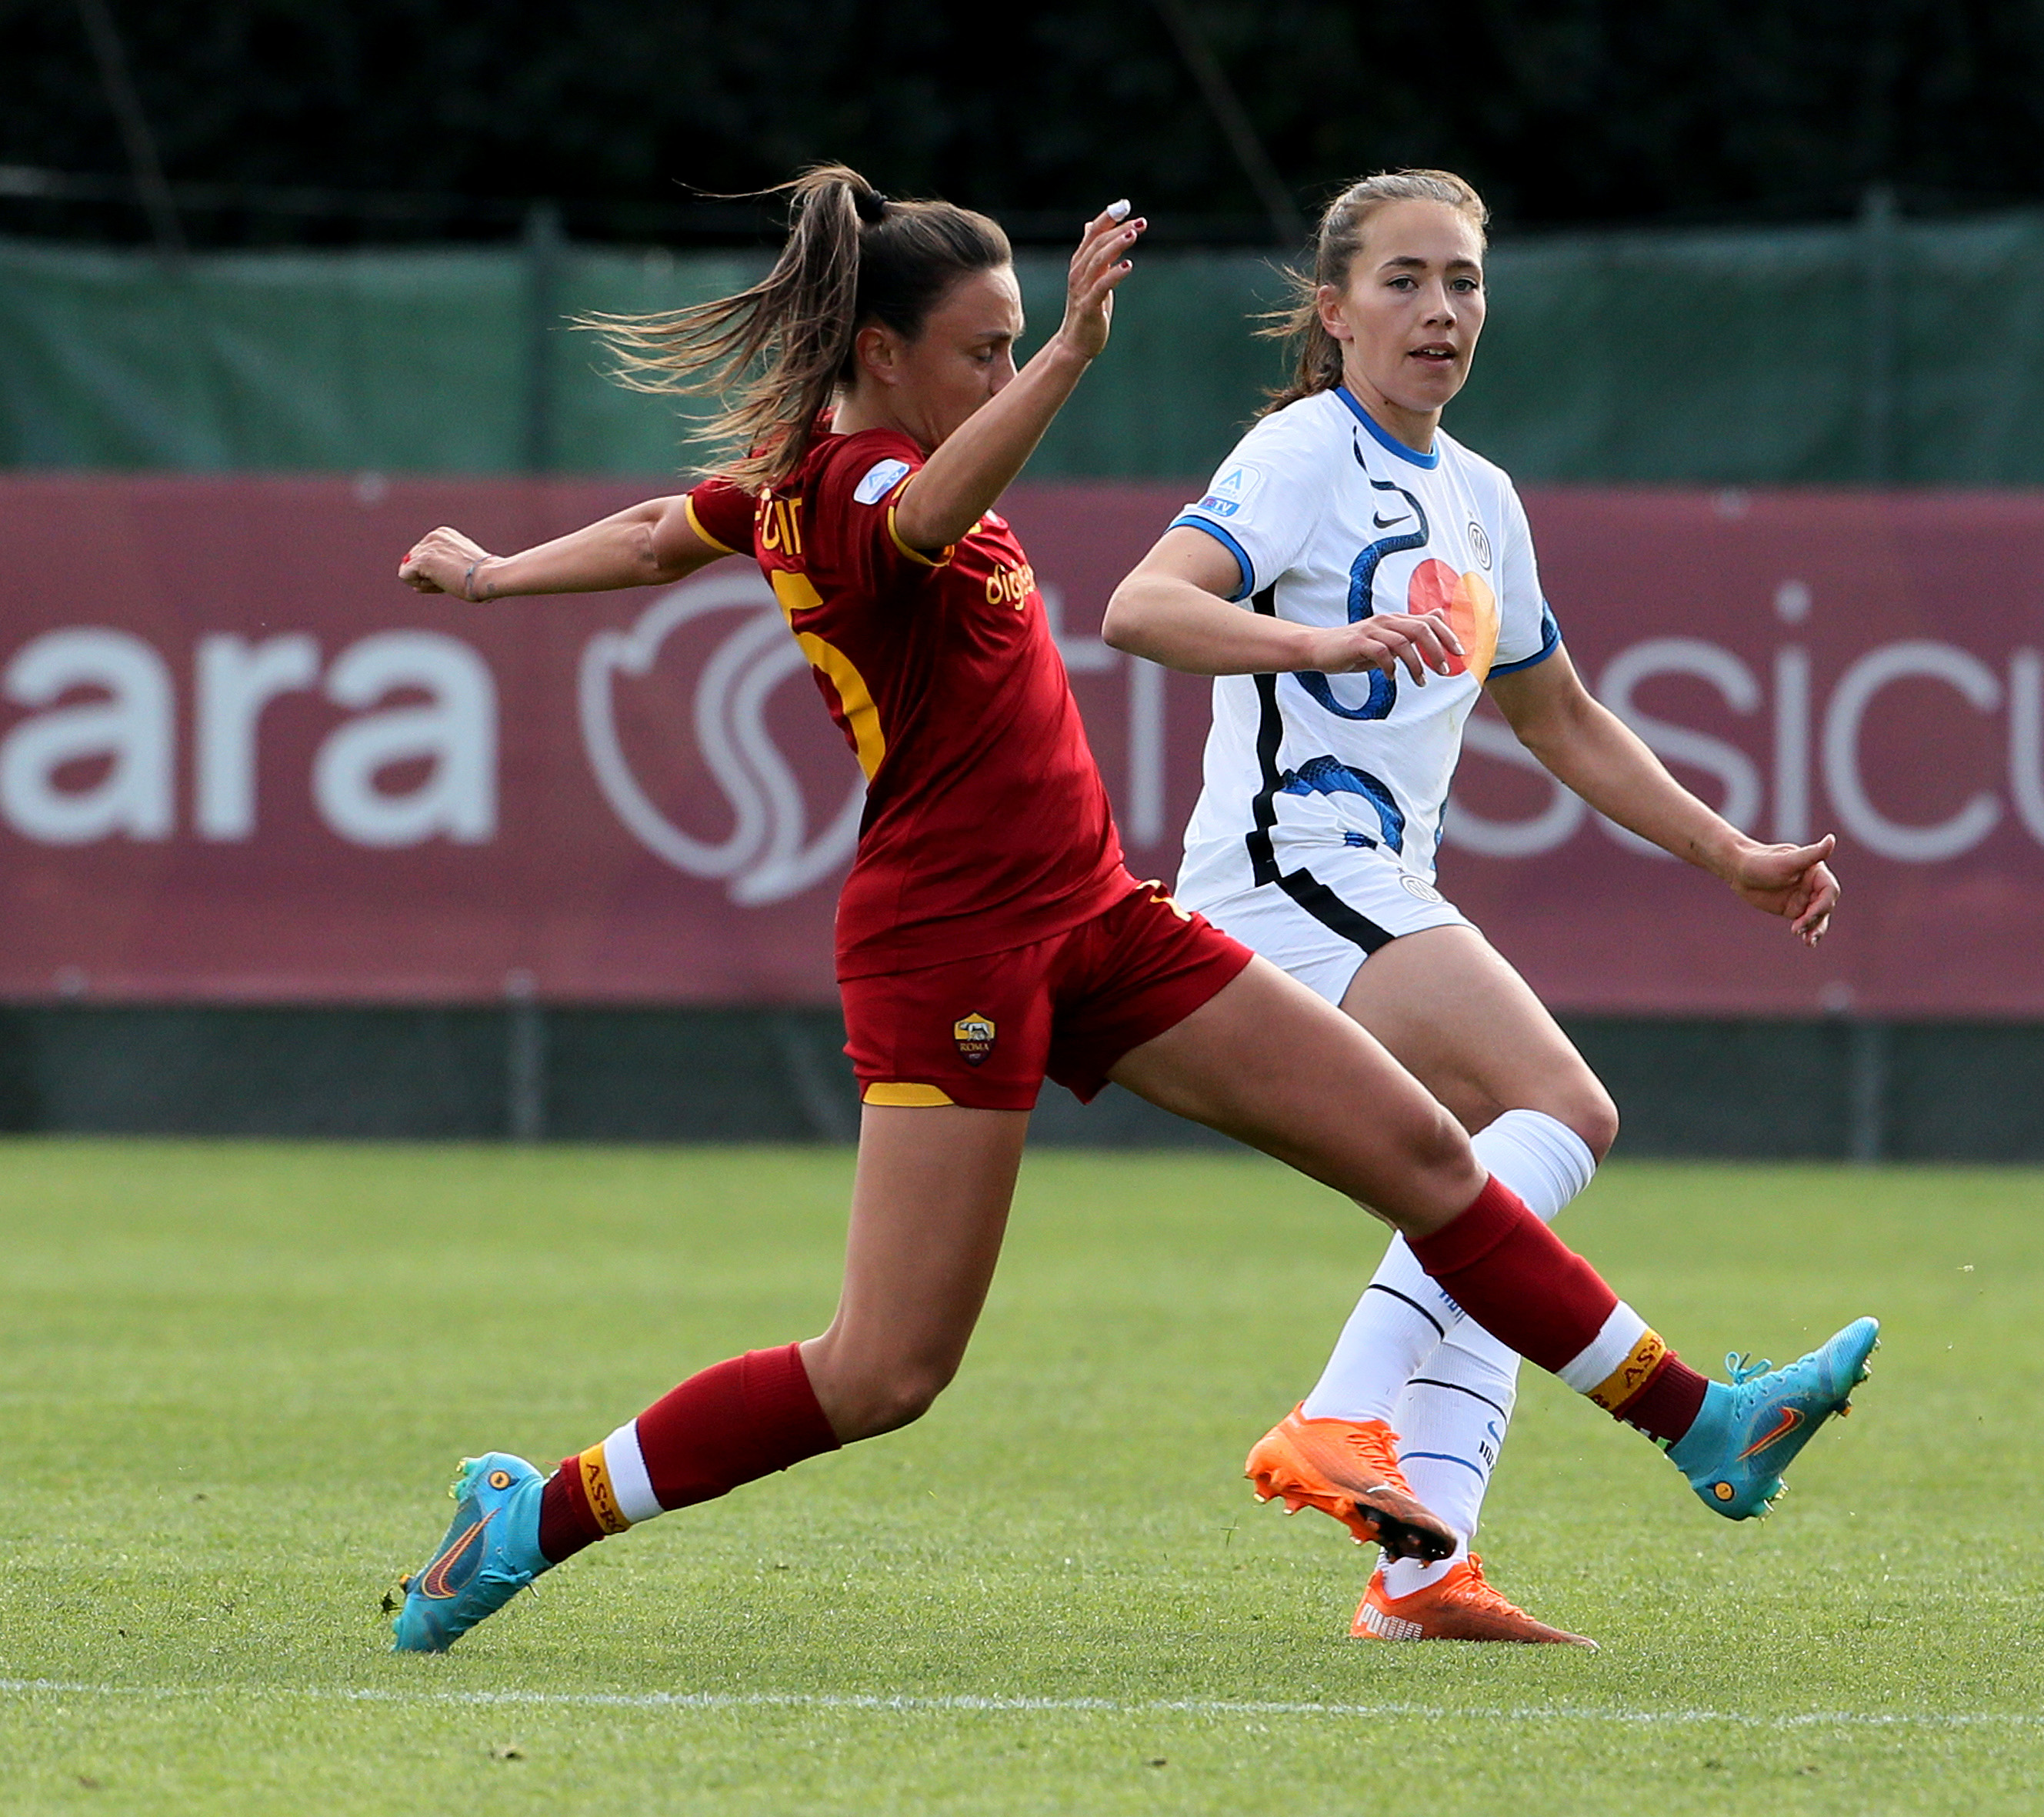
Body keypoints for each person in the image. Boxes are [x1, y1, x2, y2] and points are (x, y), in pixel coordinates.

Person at [383, 164, 1877, 1656]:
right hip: (952, 943)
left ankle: (1697, 1423)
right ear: (882, 357)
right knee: (884, 1368)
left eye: (1012, 341)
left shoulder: (798, 485)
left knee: (1437, 1154)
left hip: (1099, 914)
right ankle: (527, 1518)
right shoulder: (858, 495)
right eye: (978, 346)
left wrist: (498, 570)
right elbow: (930, 509)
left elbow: (663, 526)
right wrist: (1067, 359)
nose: (998, 368)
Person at [1104, 170, 1862, 1649]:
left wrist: (1733, 855)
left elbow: (1563, 718)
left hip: (1374, 879)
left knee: (1487, 1177)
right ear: (1333, 310)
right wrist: (1316, 633)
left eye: (1463, 281)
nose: (1441, 310)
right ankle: (1339, 1413)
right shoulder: (1303, 449)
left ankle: (1423, 1571)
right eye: (1403, 280)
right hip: (1282, 869)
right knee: (1563, 1113)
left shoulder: (1482, 497)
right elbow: (1142, 605)